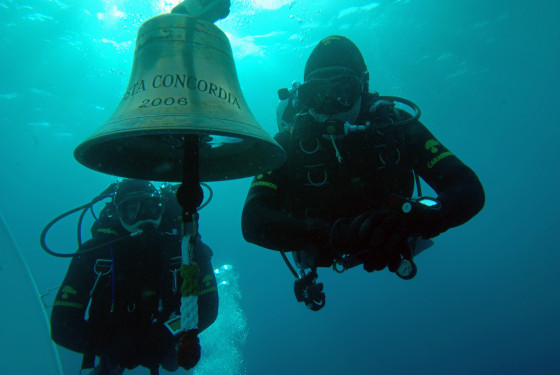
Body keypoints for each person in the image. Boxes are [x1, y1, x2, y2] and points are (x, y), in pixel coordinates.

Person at [241, 35, 485, 309]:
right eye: (315, 96)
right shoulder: (288, 145)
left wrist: (410, 222)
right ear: (302, 98)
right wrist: (327, 234)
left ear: (363, 88)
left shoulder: (398, 128)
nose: (329, 108)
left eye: (343, 91)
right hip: (323, 242)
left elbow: (468, 189)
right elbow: (253, 221)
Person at [50, 179, 218, 374]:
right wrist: (112, 346)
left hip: (165, 335)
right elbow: (62, 326)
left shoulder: (186, 247)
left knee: (173, 361)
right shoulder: (95, 254)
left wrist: (168, 332)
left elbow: (208, 307)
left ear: (162, 209)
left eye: (151, 207)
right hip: (113, 340)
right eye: (132, 210)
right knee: (110, 367)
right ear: (118, 215)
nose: (143, 217)